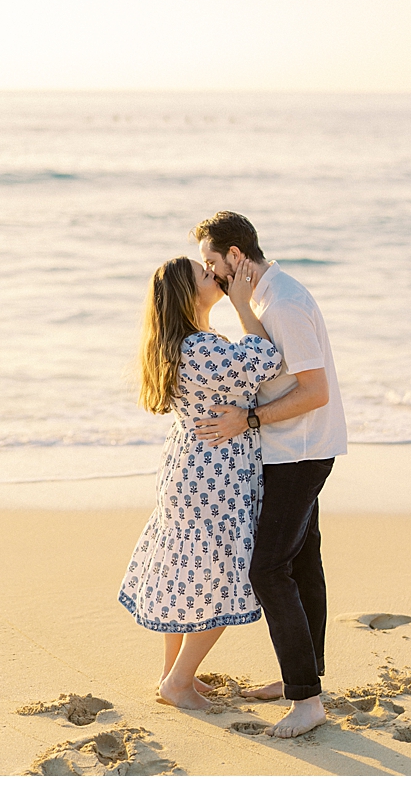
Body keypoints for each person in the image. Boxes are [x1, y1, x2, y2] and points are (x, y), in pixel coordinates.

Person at [190, 211, 348, 739]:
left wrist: (249, 419)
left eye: (213, 264)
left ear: (236, 257)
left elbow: (315, 390)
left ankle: (307, 700)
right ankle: (301, 680)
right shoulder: (260, 298)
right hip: (287, 449)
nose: (210, 275)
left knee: (268, 569)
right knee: (303, 560)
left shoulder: (284, 302)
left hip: (300, 450)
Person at [120, 254, 280, 710]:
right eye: (205, 275)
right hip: (214, 478)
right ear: (187, 295)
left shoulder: (184, 344)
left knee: (187, 573)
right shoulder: (202, 347)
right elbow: (267, 360)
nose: (215, 277)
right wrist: (246, 305)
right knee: (222, 576)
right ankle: (178, 682)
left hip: (189, 469)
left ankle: (173, 675)